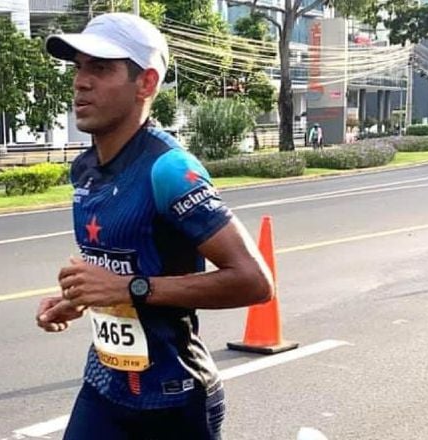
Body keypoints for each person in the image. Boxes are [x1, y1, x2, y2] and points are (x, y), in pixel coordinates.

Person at [36, 13, 274, 440]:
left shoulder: (170, 169)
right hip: (104, 387)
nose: (81, 82)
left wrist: (130, 290)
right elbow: (122, 273)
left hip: (173, 399)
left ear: (145, 83)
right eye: (79, 67)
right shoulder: (85, 169)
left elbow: (255, 282)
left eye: (101, 68)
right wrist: (80, 298)